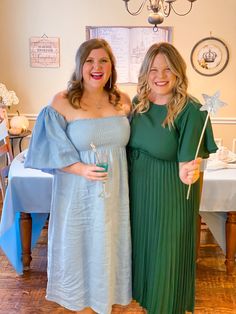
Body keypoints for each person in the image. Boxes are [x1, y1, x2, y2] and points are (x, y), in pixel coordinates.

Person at [25, 38, 132, 314]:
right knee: (80, 243)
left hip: (115, 192)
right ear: (80, 65)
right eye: (90, 61)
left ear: (112, 66)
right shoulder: (61, 102)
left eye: (103, 61)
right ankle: (79, 300)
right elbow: (47, 149)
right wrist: (81, 169)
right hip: (77, 193)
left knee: (110, 242)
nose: (97, 67)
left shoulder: (123, 101)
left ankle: (108, 295)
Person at [127, 42, 218, 314]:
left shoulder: (191, 109)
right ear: (145, 72)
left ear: (178, 72)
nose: (160, 75)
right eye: (153, 69)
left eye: (168, 68)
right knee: (144, 253)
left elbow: (191, 160)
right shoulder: (137, 104)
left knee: (167, 256)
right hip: (139, 191)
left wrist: (193, 168)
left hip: (171, 193)